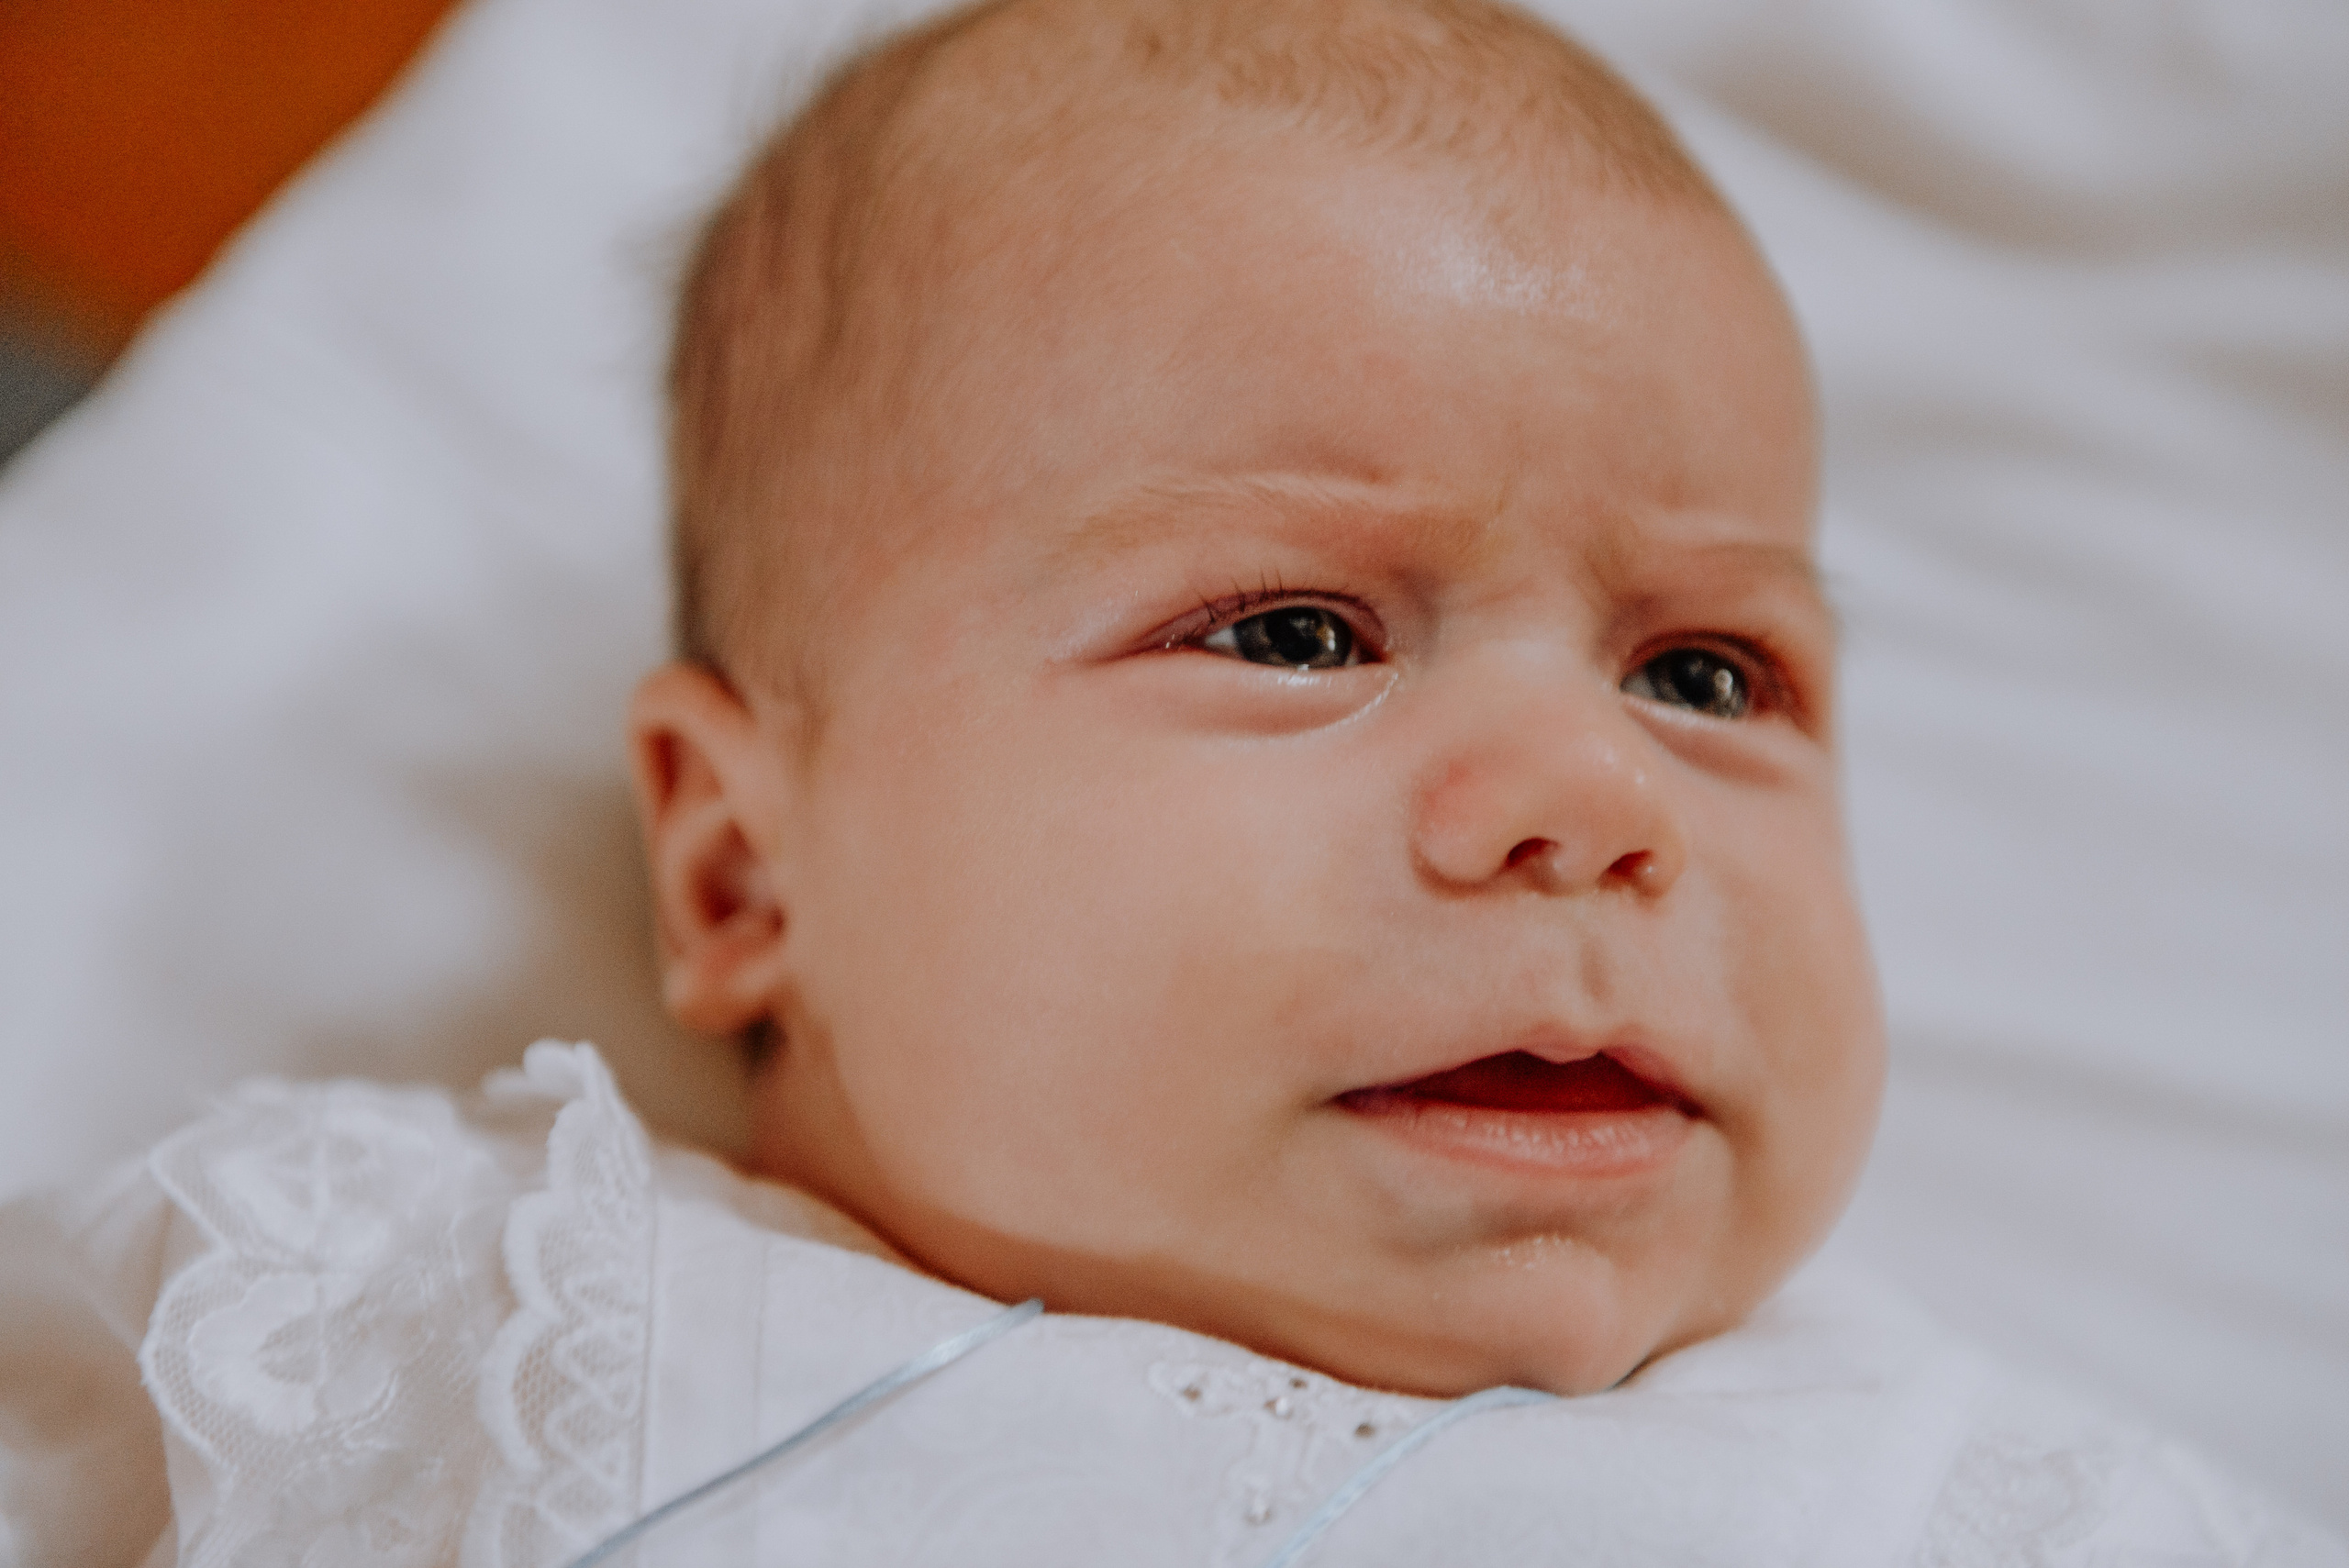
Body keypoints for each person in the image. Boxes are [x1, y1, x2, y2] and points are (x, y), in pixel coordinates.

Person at [1, 1, 2335, 1562]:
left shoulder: (1985, 1511)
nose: (1585, 801)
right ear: (738, 867)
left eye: (1707, 672)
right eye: (1297, 634)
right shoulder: (448, 1309)